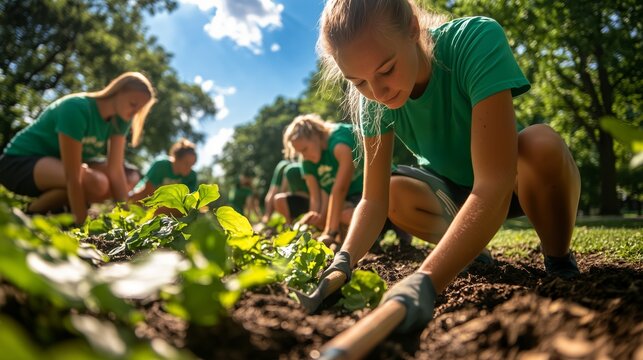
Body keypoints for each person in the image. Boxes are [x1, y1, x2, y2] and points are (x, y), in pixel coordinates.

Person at [315, 0, 582, 334]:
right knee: (395, 191)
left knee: (541, 145)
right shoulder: (373, 102)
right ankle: (471, 253)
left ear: (412, 29)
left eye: (386, 70)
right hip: (452, 195)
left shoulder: (475, 39)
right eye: (358, 82)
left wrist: (425, 281)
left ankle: (558, 259)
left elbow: (493, 185)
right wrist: (344, 260)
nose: (377, 92)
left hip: (512, 181)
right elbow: (373, 201)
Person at [0, 72, 156, 224]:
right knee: (95, 182)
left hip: (58, 168)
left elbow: (115, 170)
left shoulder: (121, 119)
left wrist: (128, 218)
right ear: (118, 91)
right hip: (17, 164)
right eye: (133, 104)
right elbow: (72, 175)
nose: (135, 113)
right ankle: (28, 215)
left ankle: (49, 210)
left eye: (139, 109)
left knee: (118, 180)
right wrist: (81, 222)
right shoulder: (76, 108)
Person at [282, 113, 364, 246]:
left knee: (343, 215)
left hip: (376, 191)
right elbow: (320, 195)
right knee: (337, 215)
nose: (304, 156)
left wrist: (329, 232)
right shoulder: (313, 157)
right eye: (300, 153)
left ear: (315, 136)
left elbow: (339, 189)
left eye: (305, 149)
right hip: (352, 198)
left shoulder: (339, 143)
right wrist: (313, 219)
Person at [129, 138, 198, 202]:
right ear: (176, 158)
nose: (189, 168)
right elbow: (147, 189)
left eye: (192, 165)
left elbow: (188, 201)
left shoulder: (191, 177)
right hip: (143, 194)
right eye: (186, 163)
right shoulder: (161, 165)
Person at [262, 159, 310, 224]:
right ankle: (289, 223)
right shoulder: (285, 167)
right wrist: (267, 216)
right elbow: (274, 192)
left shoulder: (308, 164)